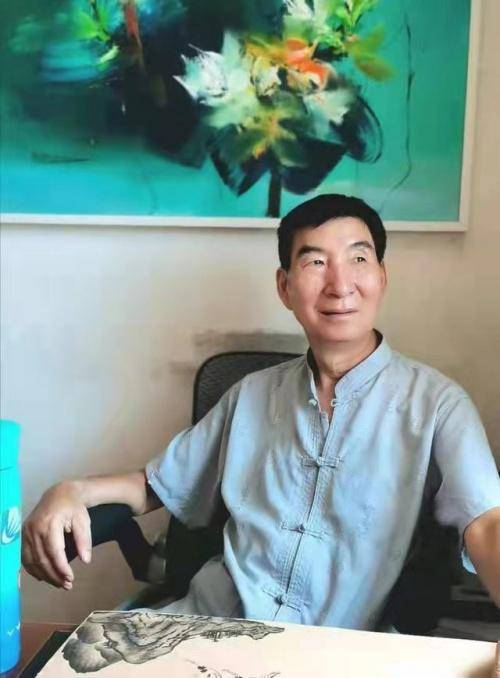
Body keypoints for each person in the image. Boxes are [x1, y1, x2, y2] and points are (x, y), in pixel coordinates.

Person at [22, 194, 500, 631]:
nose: (340, 285)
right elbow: (156, 485)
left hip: (330, 653)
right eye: (315, 262)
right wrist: (70, 490)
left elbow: (486, 525)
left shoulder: (437, 405)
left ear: (382, 277)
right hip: (202, 627)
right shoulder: (251, 394)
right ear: (285, 287)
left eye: (358, 259)